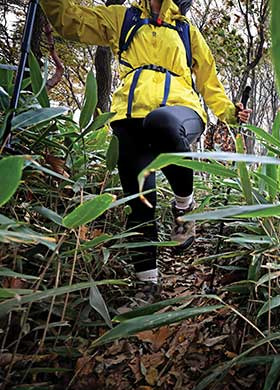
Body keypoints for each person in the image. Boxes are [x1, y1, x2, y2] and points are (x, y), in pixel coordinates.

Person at [40, 0, 251, 299]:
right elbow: (70, 19)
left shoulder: (185, 29)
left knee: (162, 123)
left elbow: (209, 81)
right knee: (141, 205)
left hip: (180, 109)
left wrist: (230, 113)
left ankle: (184, 207)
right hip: (129, 116)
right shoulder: (122, 18)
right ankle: (147, 284)